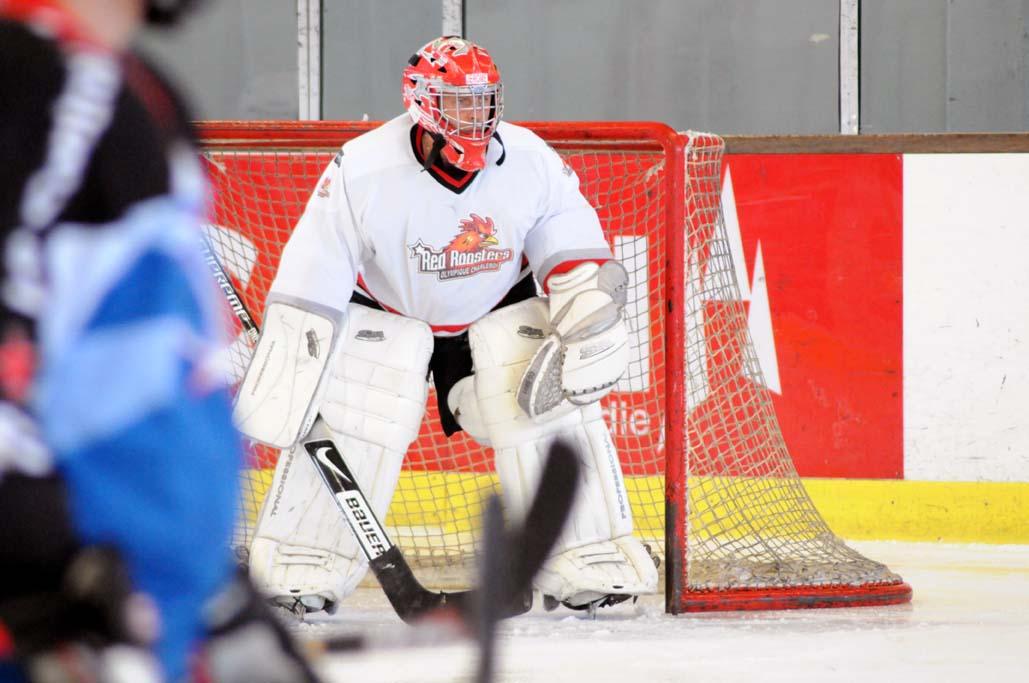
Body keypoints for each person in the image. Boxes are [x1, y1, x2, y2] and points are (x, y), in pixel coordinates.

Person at [234, 35, 659, 618]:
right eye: (460, 103)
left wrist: (587, 306)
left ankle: (590, 563)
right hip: (389, 316)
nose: (476, 117)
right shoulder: (363, 167)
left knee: (550, 409)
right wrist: (295, 352)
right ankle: (300, 568)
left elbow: (570, 239)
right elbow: (317, 264)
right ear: (422, 104)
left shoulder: (529, 158)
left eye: (484, 102)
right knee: (354, 419)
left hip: (492, 314)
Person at [0, 1, 320, 681]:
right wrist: (33, 556)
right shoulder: (26, 75)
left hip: (141, 601)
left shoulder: (133, 82)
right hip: (54, 614)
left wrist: (215, 592)